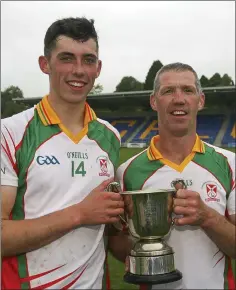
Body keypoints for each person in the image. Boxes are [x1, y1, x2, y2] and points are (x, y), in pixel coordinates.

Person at [1, 17, 131, 289]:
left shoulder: (109, 137)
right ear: (45, 64)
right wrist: (80, 213)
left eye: (88, 60)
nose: (79, 70)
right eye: (67, 58)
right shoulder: (10, 133)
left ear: (98, 68)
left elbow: (106, 224)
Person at [117, 63, 236, 289]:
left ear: (200, 100)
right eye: (168, 91)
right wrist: (131, 254)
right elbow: (117, 240)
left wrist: (208, 217)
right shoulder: (127, 171)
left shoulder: (230, 165)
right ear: (154, 101)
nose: (179, 99)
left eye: (188, 90)